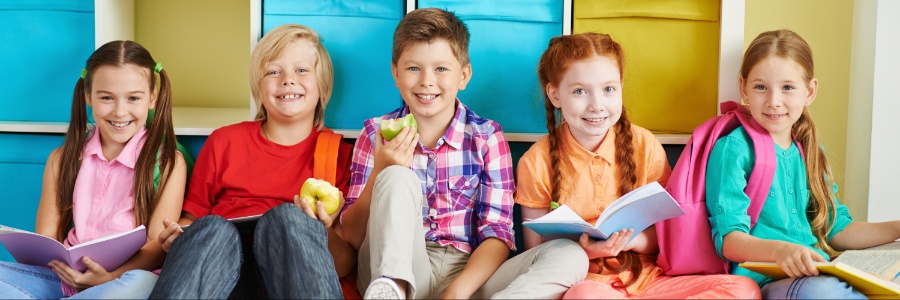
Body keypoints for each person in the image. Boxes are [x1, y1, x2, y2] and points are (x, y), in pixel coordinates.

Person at [338, 7, 589, 299]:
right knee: (396, 177)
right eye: (413, 68)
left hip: (467, 275)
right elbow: (353, 238)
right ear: (395, 73)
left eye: (441, 69)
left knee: (569, 253)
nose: (426, 81)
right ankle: (397, 288)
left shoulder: (487, 137)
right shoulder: (375, 133)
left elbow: (497, 234)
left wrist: (456, 293)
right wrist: (382, 170)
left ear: (464, 75)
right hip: (394, 268)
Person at [514, 32, 760, 299]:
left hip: (653, 281)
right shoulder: (535, 162)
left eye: (608, 89)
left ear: (620, 87)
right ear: (555, 95)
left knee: (742, 289)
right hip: (589, 284)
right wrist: (589, 250)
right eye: (579, 91)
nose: (597, 105)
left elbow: (668, 231)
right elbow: (534, 252)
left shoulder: (644, 145)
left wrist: (628, 241)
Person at [149, 24, 355, 299]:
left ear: (323, 84)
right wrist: (178, 238)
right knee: (211, 228)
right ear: (258, 85)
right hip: (220, 275)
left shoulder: (339, 155)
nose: (288, 80)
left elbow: (342, 266)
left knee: (288, 219)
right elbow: (190, 219)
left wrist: (323, 230)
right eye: (273, 71)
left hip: (287, 281)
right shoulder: (224, 141)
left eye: (302, 70)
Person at [706, 29, 900, 299]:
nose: (774, 101)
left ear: (809, 91)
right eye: (761, 86)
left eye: (788, 87)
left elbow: (837, 230)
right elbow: (730, 240)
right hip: (769, 278)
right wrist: (781, 251)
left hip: (815, 272)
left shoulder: (809, 150)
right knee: (826, 293)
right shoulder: (734, 149)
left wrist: (897, 227)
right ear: (744, 89)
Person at [0, 40, 188, 299]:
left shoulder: (169, 163)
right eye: (106, 98)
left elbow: (156, 244)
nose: (120, 111)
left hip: (123, 280)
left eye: (134, 98)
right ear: (88, 97)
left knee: (140, 284)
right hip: (60, 277)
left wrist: (110, 277)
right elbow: (46, 237)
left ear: (152, 98)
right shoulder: (61, 159)